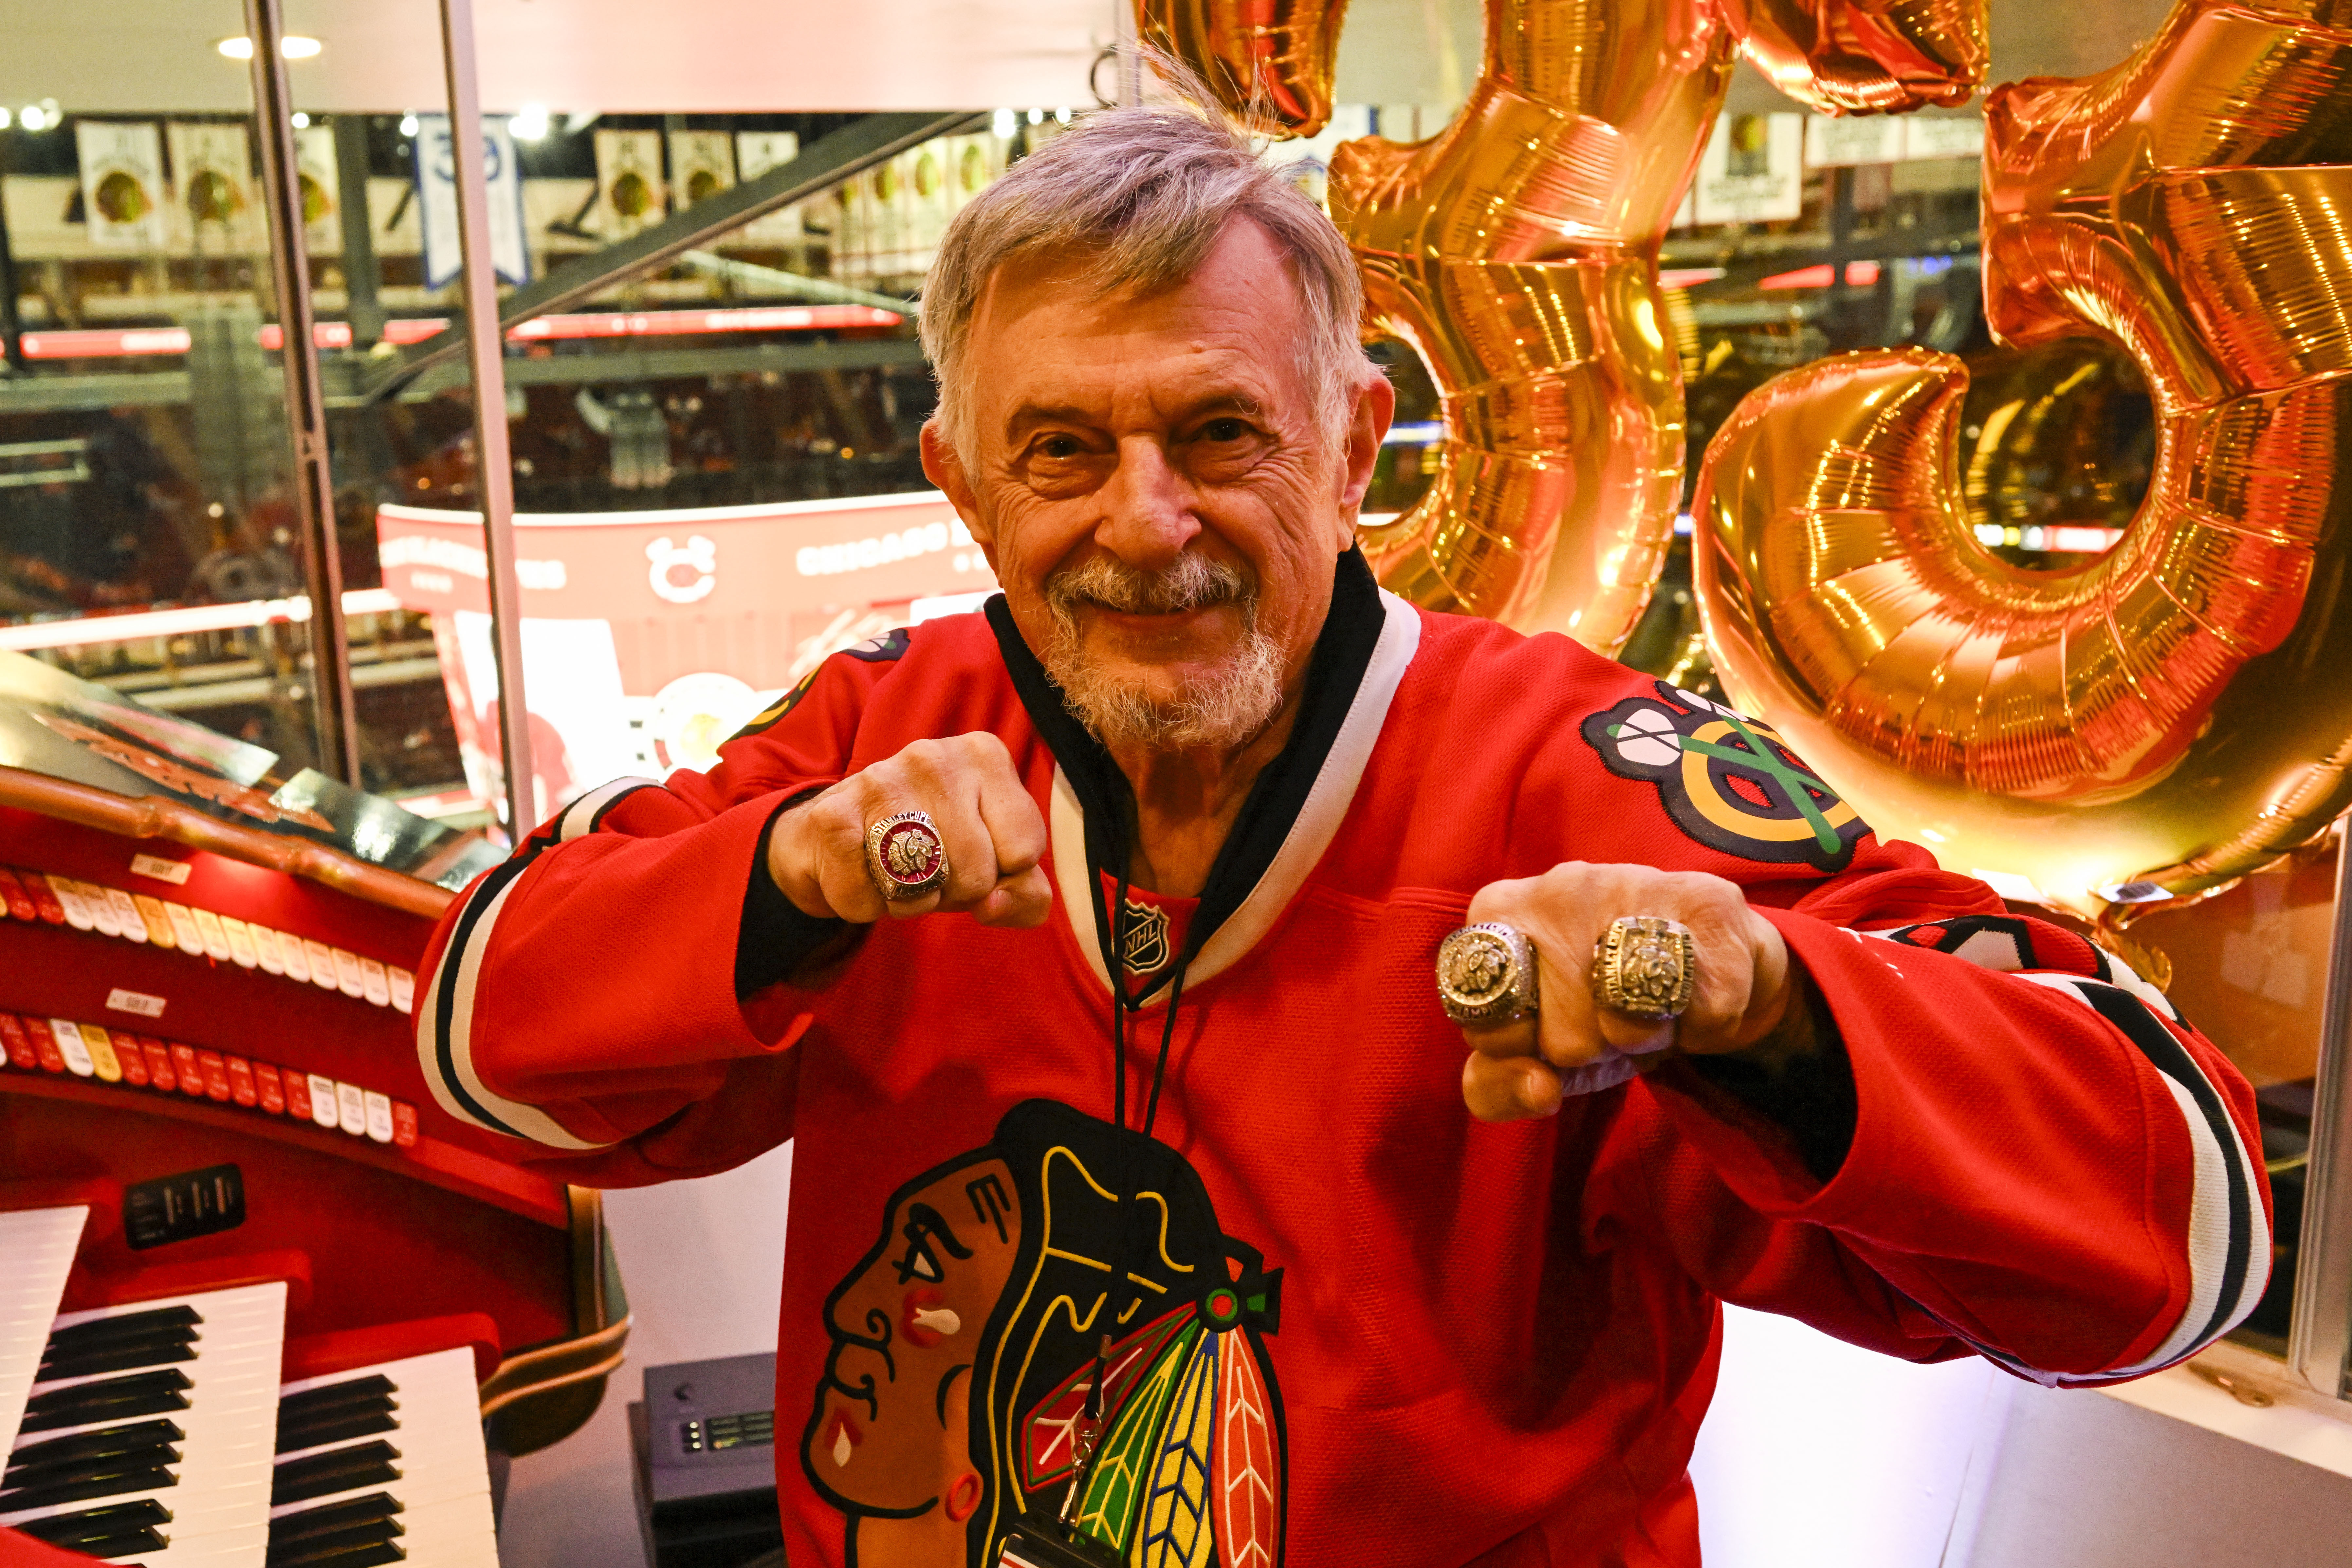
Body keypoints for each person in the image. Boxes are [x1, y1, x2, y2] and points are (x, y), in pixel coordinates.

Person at [413, 101, 2269, 1568]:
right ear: (963, 486)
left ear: (1358, 439)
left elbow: (2173, 1222)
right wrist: (787, 882)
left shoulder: (1582, 781)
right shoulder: (877, 740)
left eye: (1224, 436)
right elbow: (481, 1039)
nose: (1146, 525)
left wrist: (1755, 997)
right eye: (1061, 451)